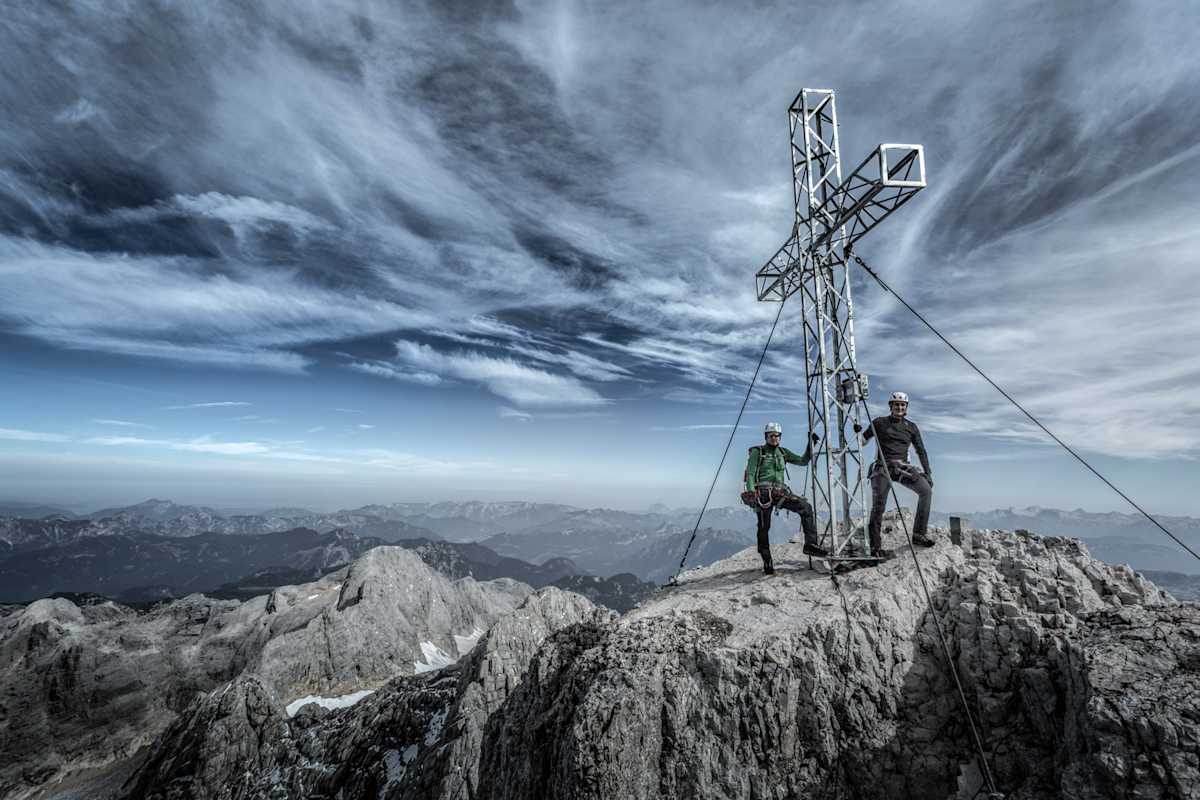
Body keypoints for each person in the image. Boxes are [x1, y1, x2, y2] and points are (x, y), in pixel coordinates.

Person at [857, 391, 935, 556]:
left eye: (902, 405)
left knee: (926, 491)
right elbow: (862, 441)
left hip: (902, 467)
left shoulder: (911, 427)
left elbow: (921, 451)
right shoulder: (879, 423)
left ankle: (919, 534)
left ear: (906, 407)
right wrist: (857, 432)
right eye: (896, 404)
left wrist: (928, 473)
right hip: (882, 466)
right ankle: (875, 547)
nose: (899, 407)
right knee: (879, 505)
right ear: (891, 406)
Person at [742, 422, 822, 575]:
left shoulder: (783, 453)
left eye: (777, 435)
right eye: (771, 435)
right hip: (763, 494)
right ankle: (767, 560)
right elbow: (751, 473)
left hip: (779, 492)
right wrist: (751, 492)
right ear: (766, 437)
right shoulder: (758, 452)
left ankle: (810, 545)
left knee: (805, 507)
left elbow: (803, 461)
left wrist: (810, 444)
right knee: (764, 527)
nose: (774, 438)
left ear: (780, 437)